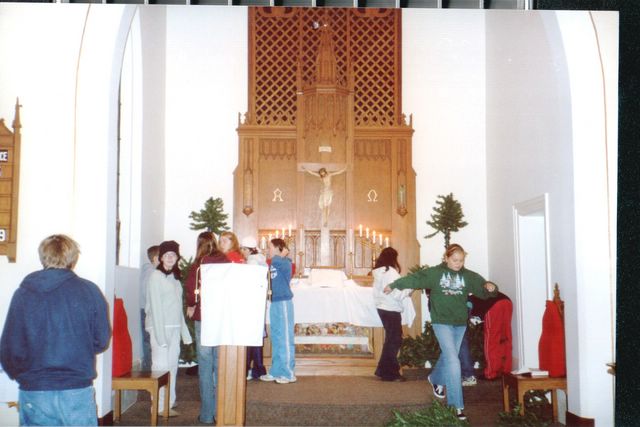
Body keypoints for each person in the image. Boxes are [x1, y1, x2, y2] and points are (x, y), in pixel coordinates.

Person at [0, 234, 111, 426]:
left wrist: (23, 376)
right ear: (72, 258)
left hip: (35, 389)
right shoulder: (90, 291)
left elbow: (10, 346)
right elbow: (101, 340)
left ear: (43, 257)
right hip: (76, 389)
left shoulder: (23, 294)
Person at [385, 243, 498, 422]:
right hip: (442, 322)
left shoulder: (468, 276)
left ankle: (436, 378)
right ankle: (456, 406)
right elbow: (415, 279)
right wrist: (394, 284)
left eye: (461, 260)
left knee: (448, 356)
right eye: (454, 260)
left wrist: (491, 288)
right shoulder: (435, 274)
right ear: (446, 258)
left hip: (460, 323)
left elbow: (483, 290)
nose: (458, 263)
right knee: (453, 360)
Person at [185, 232, 229, 425]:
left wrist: (191, 303)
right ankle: (222, 412)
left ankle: (206, 415)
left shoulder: (200, 263)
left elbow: (192, 290)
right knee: (220, 364)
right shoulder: (226, 260)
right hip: (221, 318)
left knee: (205, 365)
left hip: (203, 318)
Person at [146, 240, 192, 417]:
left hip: (173, 327)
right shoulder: (155, 277)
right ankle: (157, 406)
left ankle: (168, 403)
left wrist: (184, 333)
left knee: (172, 365)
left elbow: (177, 308)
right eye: (167, 255)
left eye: (173, 255)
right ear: (161, 258)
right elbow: (156, 307)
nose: (171, 258)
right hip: (159, 328)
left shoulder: (175, 278)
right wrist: (159, 336)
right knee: (160, 366)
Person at [372, 247, 412, 382]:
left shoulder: (379, 272)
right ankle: (390, 373)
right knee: (394, 340)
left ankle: (383, 370)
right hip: (391, 309)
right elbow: (397, 293)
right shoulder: (391, 272)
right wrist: (410, 288)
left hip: (383, 308)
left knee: (392, 339)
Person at [259, 238, 295, 384]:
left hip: (284, 302)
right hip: (274, 302)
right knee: (277, 337)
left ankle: (288, 373)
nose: (268, 250)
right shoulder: (275, 261)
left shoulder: (285, 262)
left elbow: (276, 261)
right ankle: (276, 370)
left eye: (270, 247)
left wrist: (282, 254)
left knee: (285, 338)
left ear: (278, 248)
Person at [240, 236, 268, 381]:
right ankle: (257, 368)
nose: (242, 252)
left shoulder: (252, 262)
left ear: (249, 250)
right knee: (255, 337)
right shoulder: (260, 260)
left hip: (251, 303)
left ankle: (251, 369)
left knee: (251, 337)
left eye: (243, 249)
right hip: (257, 302)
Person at [140, 245, 160, 371]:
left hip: (147, 310)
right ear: (156, 258)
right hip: (148, 311)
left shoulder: (150, 271)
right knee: (149, 342)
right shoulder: (151, 273)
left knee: (149, 341)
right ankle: (149, 372)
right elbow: (148, 294)